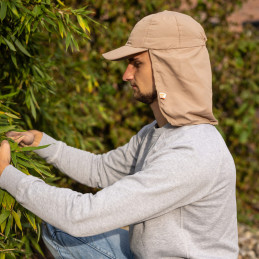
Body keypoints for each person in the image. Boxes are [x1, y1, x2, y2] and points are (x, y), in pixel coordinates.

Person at [0, 11, 238, 259]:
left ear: (169, 66)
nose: (126, 75)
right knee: (55, 224)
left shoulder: (193, 153)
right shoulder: (155, 132)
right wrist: (42, 143)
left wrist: (6, 175)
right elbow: (100, 170)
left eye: (137, 63)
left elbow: (82, 217)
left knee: (65, 220)